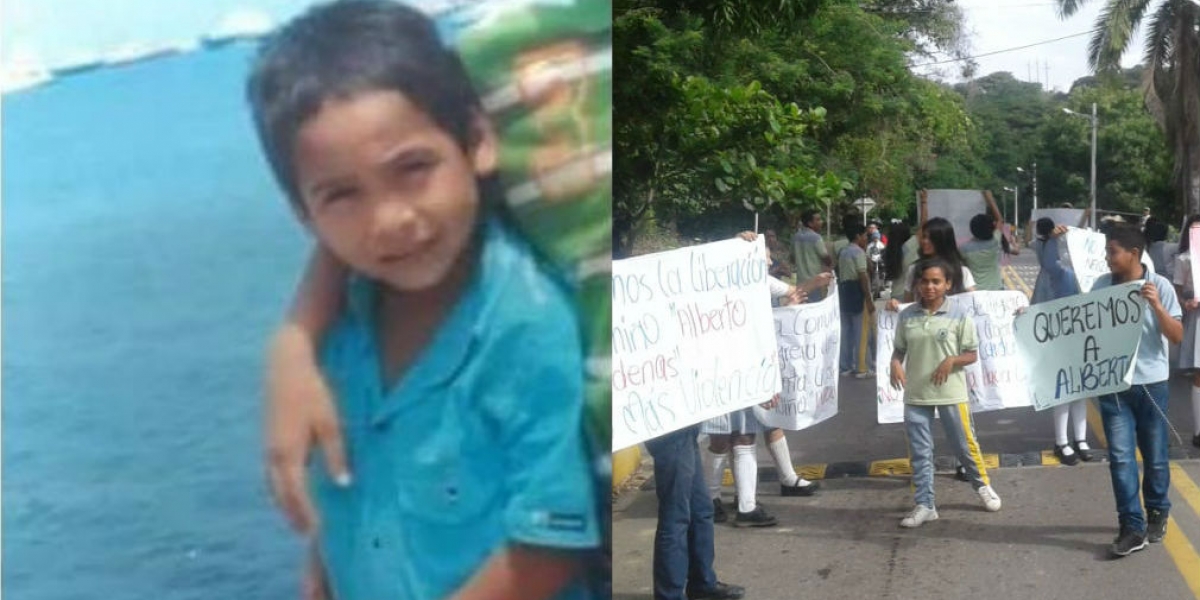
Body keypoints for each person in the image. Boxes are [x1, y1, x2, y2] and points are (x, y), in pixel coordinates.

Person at [247, 3, 600, 598]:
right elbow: (355, 494)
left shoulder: (522, 324)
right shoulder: (340, 329)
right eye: (341, 195)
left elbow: (547, 548)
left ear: (478, 142)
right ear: (303, 214)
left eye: (413, 169)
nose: (389, 219)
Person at [889, 258, 1002, 528]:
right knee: (920, 451)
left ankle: (982, 486)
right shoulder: (907, 316)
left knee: (965, 446)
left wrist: (951, 361)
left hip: (951, 393)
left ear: (948, 284)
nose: (929, 287)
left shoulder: (959, 316)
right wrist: (894, 363)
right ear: (916, 284)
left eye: (936, 281)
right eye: (924, 281)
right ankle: (925, 504)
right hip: (916, 394)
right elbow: (900, 349)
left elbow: (972, 354)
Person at [1093, 225, 1183, 557]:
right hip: (1114, 386)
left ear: (1134, 253)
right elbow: (1080, 328)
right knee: (1120, 458)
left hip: (1151, 385)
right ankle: (1131, 526)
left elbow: (1176, 336)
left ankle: (1157, 510)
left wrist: (1157, 306)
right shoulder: (1101, 286)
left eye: (1113, 251)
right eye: (1107, 251)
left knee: (1156, 458)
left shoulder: (1159, 286)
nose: (1107, 258)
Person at [644, 425, 746, 600]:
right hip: (671, 430)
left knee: (701, 510)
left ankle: (702, 583)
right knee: (675, 517)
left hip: (684, 430)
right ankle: (670, 594)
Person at [1028, 219, 1091, 465]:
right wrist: (1054, 241)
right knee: (1064, 385)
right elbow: (1048, 264)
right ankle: (1062, 441)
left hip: (1081, 326)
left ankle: (1081, 438)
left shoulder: (1084, 271)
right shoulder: (1055, 265)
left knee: (1082, 387)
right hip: (1058, 326)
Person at [1175, 215, 1200, 450]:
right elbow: (1179, 289)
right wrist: (1187, 303)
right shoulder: (1183, 259)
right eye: (1194, 230)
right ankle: (1199, 430)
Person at [837, 222, 875, 378]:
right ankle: (861, 367)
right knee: (862, 332)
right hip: (857, 292)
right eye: (865, 235)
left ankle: (845, 365)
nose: (867, 238)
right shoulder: (858, 253)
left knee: (846, 331)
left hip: (844, 291)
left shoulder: (843, 252)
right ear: (858, 236)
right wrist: (869, 300)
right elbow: (863, 275)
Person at [960, 212, 1011, 292]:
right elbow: (1000, 220)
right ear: (991, 228)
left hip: (975, 291)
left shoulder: (963, 248)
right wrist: (990, 199)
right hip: (996, 288)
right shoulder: (995, 241)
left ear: (972, 229)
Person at [792, 209, 832, 301]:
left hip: (800, 283)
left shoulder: (795, 237)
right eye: (818, 220)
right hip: (815, 282)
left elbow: (792, 258)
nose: (821, 222)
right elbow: (826, 258)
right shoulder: (816, 238)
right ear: (810, 223)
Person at [883, 222, 918, 302]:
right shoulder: (910, 245)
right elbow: (923, 226)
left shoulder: (889, 252)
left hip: (895, 295)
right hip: (908, 294)